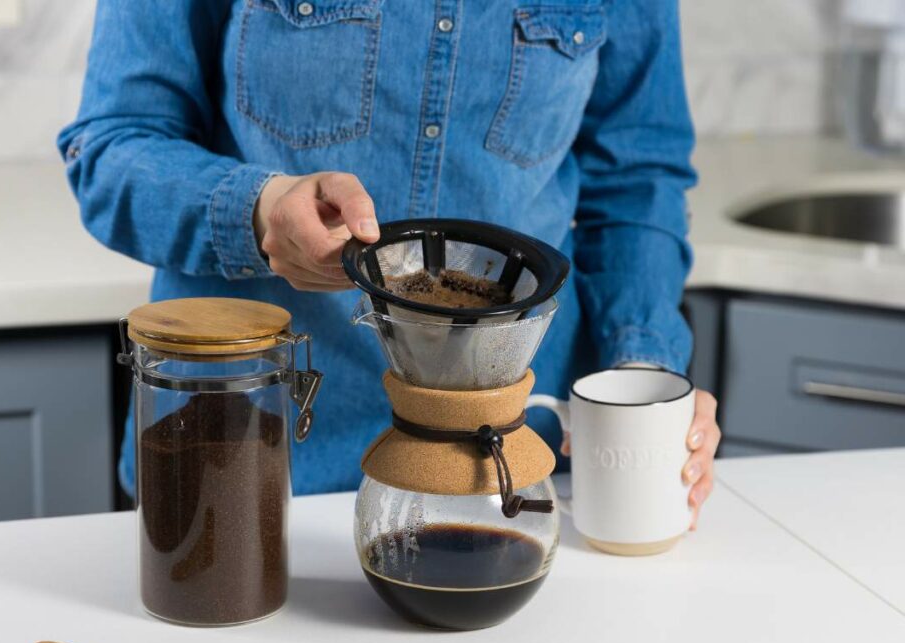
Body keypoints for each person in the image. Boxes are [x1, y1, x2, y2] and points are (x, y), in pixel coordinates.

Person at [59, 0, 721, 527]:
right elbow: (113, 145)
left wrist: (642, 376)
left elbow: (637, 180)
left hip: (510, 480)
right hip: (243, 463)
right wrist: (260, 211)